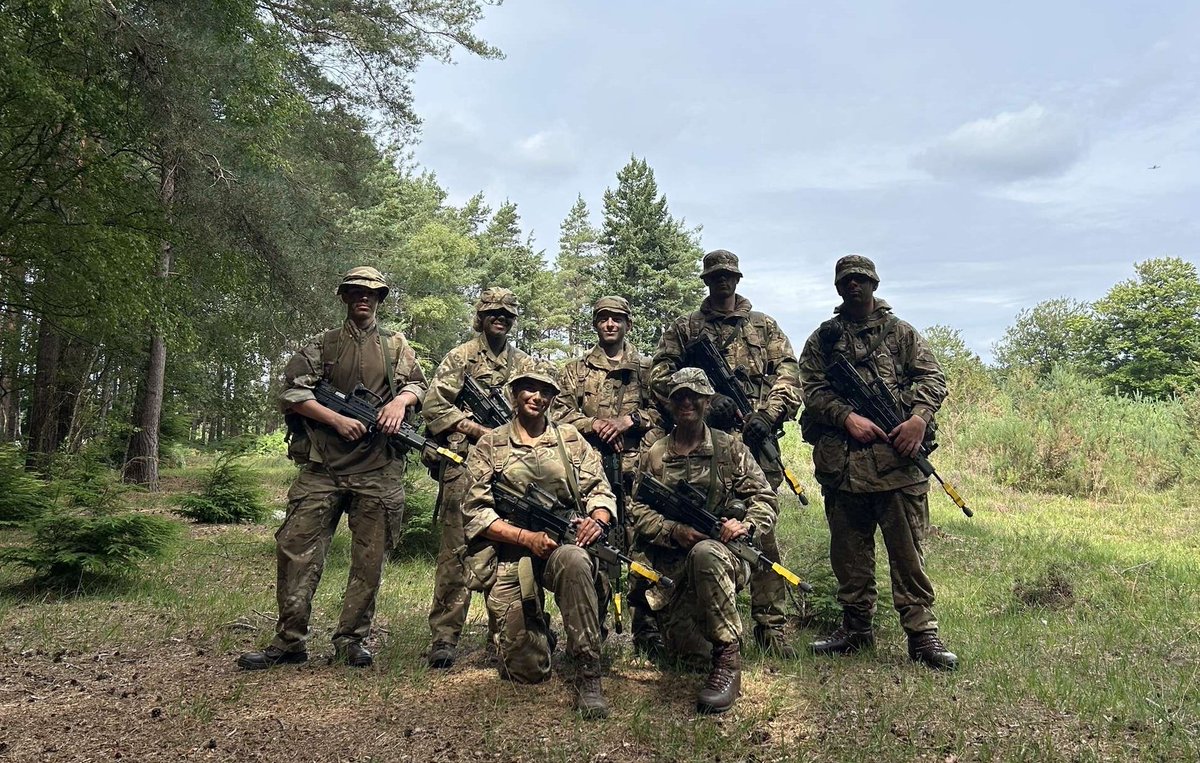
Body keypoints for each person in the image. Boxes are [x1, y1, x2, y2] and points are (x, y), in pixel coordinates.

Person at [238, 266, 427, 670]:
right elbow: (292, 392)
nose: (364, 298)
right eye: (357, 291)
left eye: (372, 293)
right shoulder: (322, 345)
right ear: (344, 296)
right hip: (323, 468)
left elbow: (419, 385)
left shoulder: (396, 346)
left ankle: (351, 640)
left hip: (379, 470)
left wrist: (399, 402)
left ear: (380, 299)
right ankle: (290, 640)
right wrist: (336, 419)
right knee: (297, 552)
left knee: (369, 560)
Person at [798, 254, 958, 670]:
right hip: (844, 467)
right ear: (838, 288)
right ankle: (855, 628)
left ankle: (922, 634)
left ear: (874, 284)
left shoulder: (901, 333)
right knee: (848, 555)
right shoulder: (823, 339)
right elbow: (810, 388)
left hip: (898, 465)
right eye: (847, 281)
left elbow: (933, 378)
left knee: (908, 556)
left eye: (861, 280)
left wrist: (918, 421)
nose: (855, 286)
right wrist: (845, 417)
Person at [650, 249, 802, 657]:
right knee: (697, 529)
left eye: (728, 275)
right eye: (715, 276)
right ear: (706, 280)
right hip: (696, 444)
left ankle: (770, 626)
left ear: (738, 279)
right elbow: (658, 377)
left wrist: (767, 416)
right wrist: (705, 399)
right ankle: (697, 619)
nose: (722, 282)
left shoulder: (764, 327)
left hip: (752, 443)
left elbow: (789, 375)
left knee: (760, 533)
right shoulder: (685, 328)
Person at [460, 365, 617, 719]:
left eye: (545, 391)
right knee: (527, 670)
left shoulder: (571, 439)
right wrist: (525, 537)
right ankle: (539, 633)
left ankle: (587, 671)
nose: (537, 397)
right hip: (512, 552)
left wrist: (598, 519)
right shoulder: (491, 443)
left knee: (577, 560)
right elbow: (475, 512)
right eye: (528, 389)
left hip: (563, 544)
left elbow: (600, 490)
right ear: (514, 394)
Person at [628, 368, 777, 714]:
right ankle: (689, 633)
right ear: (670, 402)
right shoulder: (655, 453)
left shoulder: (730, 449)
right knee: (689, 656)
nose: (687, 402)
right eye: (679, 395)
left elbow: (764, 499)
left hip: (719, 559)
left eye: (695, 396)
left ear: (708, 401)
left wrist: (745, 526)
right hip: (670, 569)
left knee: (707, 551)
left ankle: (728, 660)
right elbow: (636, 509)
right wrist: (671, 530)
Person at [422, 287, 536, 669]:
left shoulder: (523, 363)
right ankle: (444, 637)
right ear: (481, 317)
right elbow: (434, 404)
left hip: (512, 471)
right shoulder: (462, 356)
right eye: (492, 313)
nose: (499, 318)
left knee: (508, 554)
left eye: (506, 313)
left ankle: (501, 636)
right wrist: (474, 429)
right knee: (457, 550)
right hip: (465, 465)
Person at [550, 295, 663, 653]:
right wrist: (594, 424)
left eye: (617, 318)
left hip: (640, 478)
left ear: (628, 323)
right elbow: (557, 414)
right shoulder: (574, 371)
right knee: (596, 551)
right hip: (591, 479)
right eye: (603, 319)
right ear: (596, 324)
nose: (610, 324)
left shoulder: (647, 370)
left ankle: (648, 630)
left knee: (644, 552)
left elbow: (667, 412)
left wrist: (629, 420)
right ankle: (590, 631)